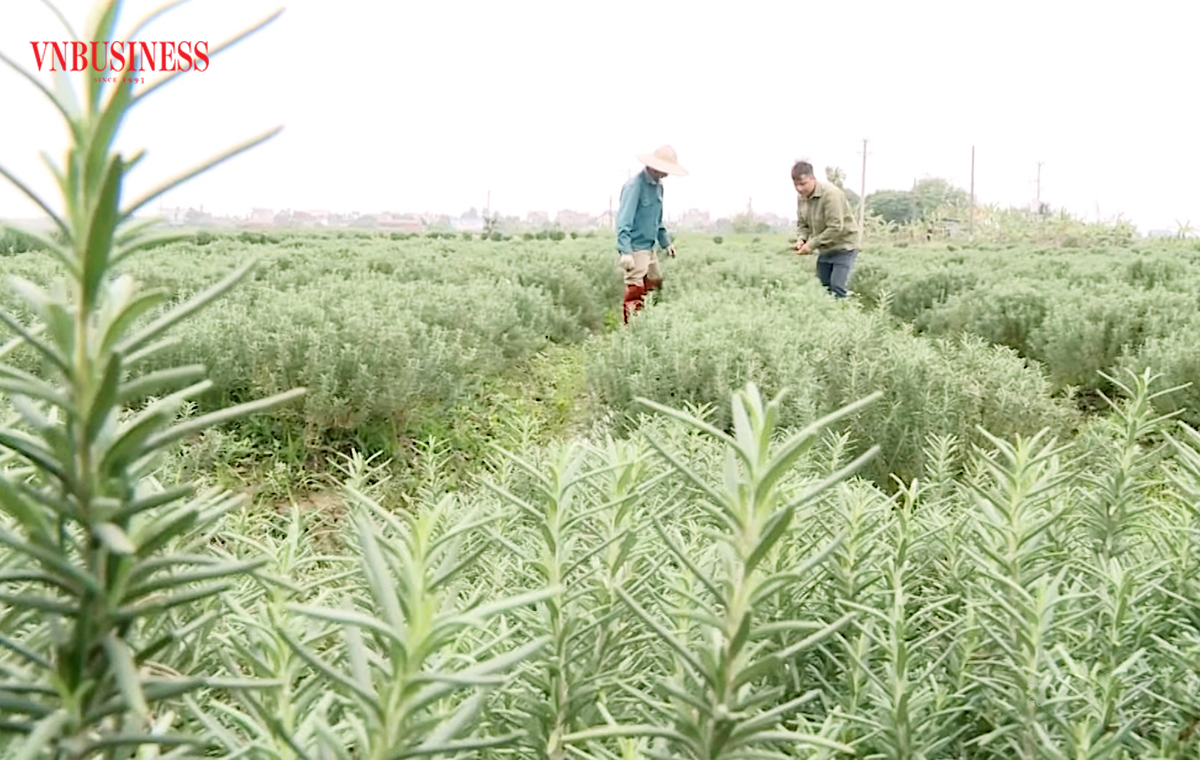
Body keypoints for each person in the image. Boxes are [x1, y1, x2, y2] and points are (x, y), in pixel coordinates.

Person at [615, 145, 688, 323]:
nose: (666, 174)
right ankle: (631, 330)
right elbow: (624, 220)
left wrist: (666, 243)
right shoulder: (634, 186)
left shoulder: (658, 187)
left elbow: (658, 220)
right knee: (635, 290)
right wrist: (625, 251)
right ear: (654, 167)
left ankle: (647, 321)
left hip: (650, 246)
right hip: (636, 247)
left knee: (654, 283)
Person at [792, 159, 860, 299]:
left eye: (803, 184)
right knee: (823, 288)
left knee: (837, 287)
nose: (799, 188)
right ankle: (829, 317)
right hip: (824, 247)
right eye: (796, 185)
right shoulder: (802, 198)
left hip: (844, 246)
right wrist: (802, 239)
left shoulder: (831, 195)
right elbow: (803, 224)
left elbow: (835, 227)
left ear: (812, 179)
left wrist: (810, 245)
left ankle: (845, 316)